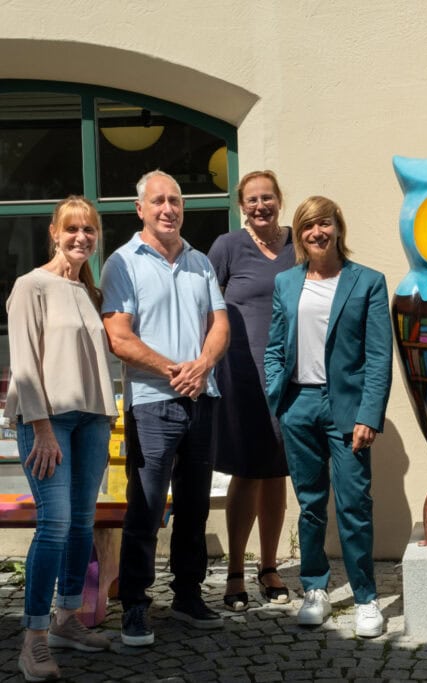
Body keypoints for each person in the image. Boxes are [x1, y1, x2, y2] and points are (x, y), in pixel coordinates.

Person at [101, 170, 230, 646]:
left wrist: (204, 364)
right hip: (153, 403)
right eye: (157, 201)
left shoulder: (199, 261)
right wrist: (175, 369)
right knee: (148, 506)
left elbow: (219, 323)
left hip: (202, 398)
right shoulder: (123, 262)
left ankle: (188, 595)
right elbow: (119, 336)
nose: (168, 208)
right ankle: (134, 603)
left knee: (195, 505)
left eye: (174, 200)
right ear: (141, 209)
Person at [264, 196, 392, 637]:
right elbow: (276, 346)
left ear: (338, 227)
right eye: (306, 227)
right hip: (299, 405)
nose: (316, 233)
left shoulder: (368, 281)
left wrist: (369, 414)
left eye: (324, 224)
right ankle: (315, 589)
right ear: (299, 236)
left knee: (355, 504)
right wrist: (275, 395)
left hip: (347, 409)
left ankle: (366, 598)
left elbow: (378, 356)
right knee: (311, 505)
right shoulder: (286, 283)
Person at [6, 197, 119, 681]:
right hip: (47, 424)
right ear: (54, 232)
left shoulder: (89, 293)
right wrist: (43, 428)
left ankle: (66, 619)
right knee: (54, 525)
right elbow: (26, 365)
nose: (81, 238)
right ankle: (32, 639)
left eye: (89, 230)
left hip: (93, 419)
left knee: (81, 522)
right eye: (72, 229)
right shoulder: (30, 286)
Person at [207, 171, 294, 611]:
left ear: (280, 200)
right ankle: (236, 572)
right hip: (240, 375)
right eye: (252, 199)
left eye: (268, 198)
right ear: (242, 205)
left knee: (277, 470)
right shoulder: (226, 247)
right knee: (246, 470)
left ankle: (270, 565)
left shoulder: (300, 244)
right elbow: (204, 305)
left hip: (290, 377)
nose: (261, 205)